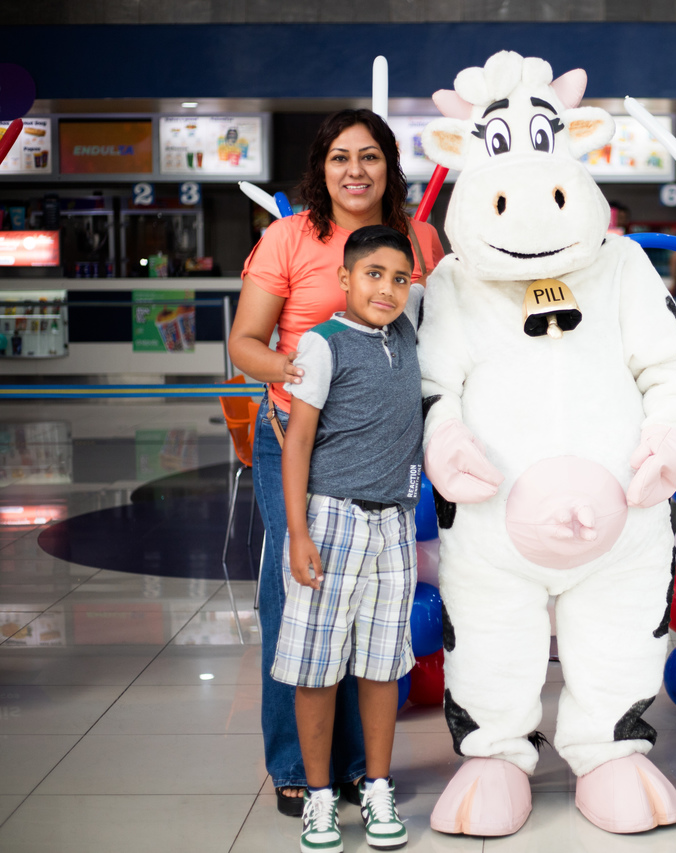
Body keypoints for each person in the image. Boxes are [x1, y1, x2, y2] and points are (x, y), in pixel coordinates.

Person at [229, 108, 444, 817]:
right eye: (339, 157)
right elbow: (246, 342)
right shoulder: (289, 237)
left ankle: (357, 768)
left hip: (384, 454)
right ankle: (298, 766)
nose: (355, 170)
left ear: (390, 165)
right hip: (298, 434)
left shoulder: (423, 240)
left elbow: (437, 338)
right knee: (298, 596)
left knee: (371, 612)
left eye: (370, 156)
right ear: (321, 169)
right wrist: (309, 376)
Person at [276, 225, 423, 852]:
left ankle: (379, 784)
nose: (387, 289)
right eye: (373, 275)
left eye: (399, 278)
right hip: (331, 520)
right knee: (317, 666)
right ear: (344, 278)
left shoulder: (409, 337)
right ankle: (317, 798)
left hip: (394, 523)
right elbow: (299, 442)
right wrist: (297, 532)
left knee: (383, 663)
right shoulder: (322, 343)